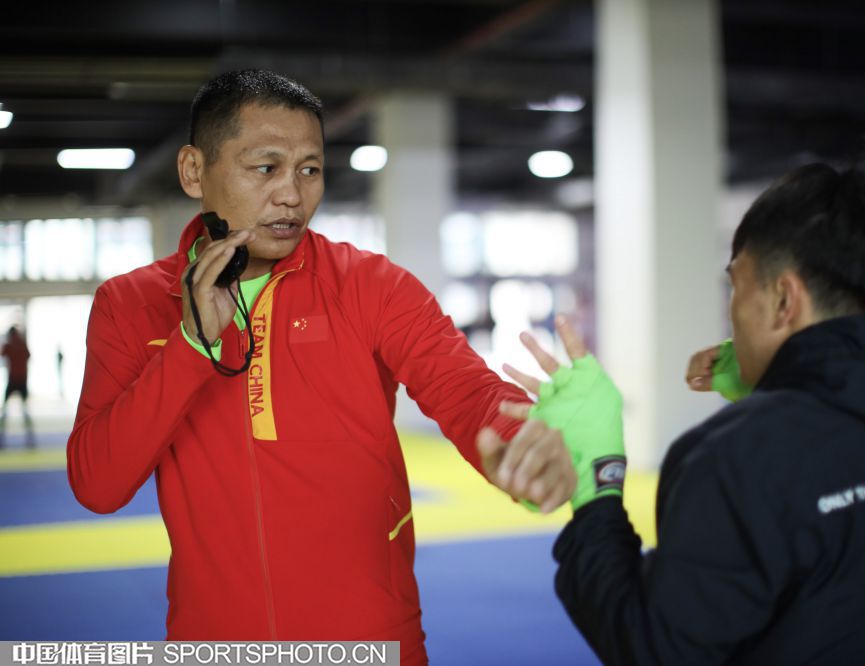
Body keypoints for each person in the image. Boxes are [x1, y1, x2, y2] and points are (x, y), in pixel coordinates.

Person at [67, 69, 574, 660]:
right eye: (266, 167)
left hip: (371, 639)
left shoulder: (372, 286)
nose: (292, 194)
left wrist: (522, 443)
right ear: (193, 171)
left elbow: (467, 391)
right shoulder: (130, 305)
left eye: (309, 170)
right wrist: (190, 347)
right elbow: (97, 484)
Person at [487, 164, 865, 664]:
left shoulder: (732, 457)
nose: (732, 310)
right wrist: (782, 379)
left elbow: (650, 648)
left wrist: (595, 480)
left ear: (783, 299)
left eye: (737, 286)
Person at [1, 325, 35, 449]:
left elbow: (3, 354)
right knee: (25, 411)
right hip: (21, 381)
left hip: (13, 380)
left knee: (5, 411)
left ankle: (2, 438)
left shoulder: (10, 345)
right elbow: (28, 356)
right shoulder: (21, 343)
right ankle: (30, 438)